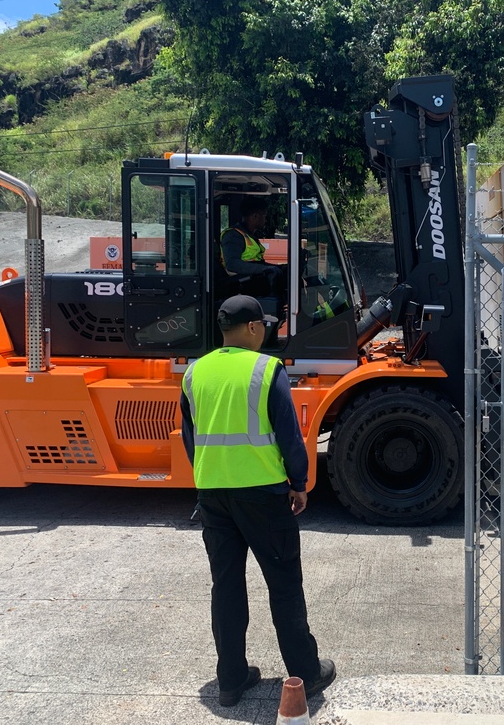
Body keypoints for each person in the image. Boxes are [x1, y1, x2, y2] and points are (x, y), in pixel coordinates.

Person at [180, 295, 336, 706]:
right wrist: (299, 482)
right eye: (263, 325)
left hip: (213, 495)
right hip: (264, 496)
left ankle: (230, 680)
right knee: (284, 585)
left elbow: (190, 437)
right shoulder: (266, 369)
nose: (265, 331)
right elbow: (289, 433)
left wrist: (209, 478)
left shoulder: (195, 372)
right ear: (252, 328)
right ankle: (305, 671)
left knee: (226, 587)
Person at [220, 198, 286, 296]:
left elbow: (258, 262)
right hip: (241, 285)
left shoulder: (249, 235)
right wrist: (264, 269)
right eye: (264, 216)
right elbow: (232, 264)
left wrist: (280, 267)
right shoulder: (233, 236)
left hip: (253, 279)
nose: (266, 220)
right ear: (255, 216)